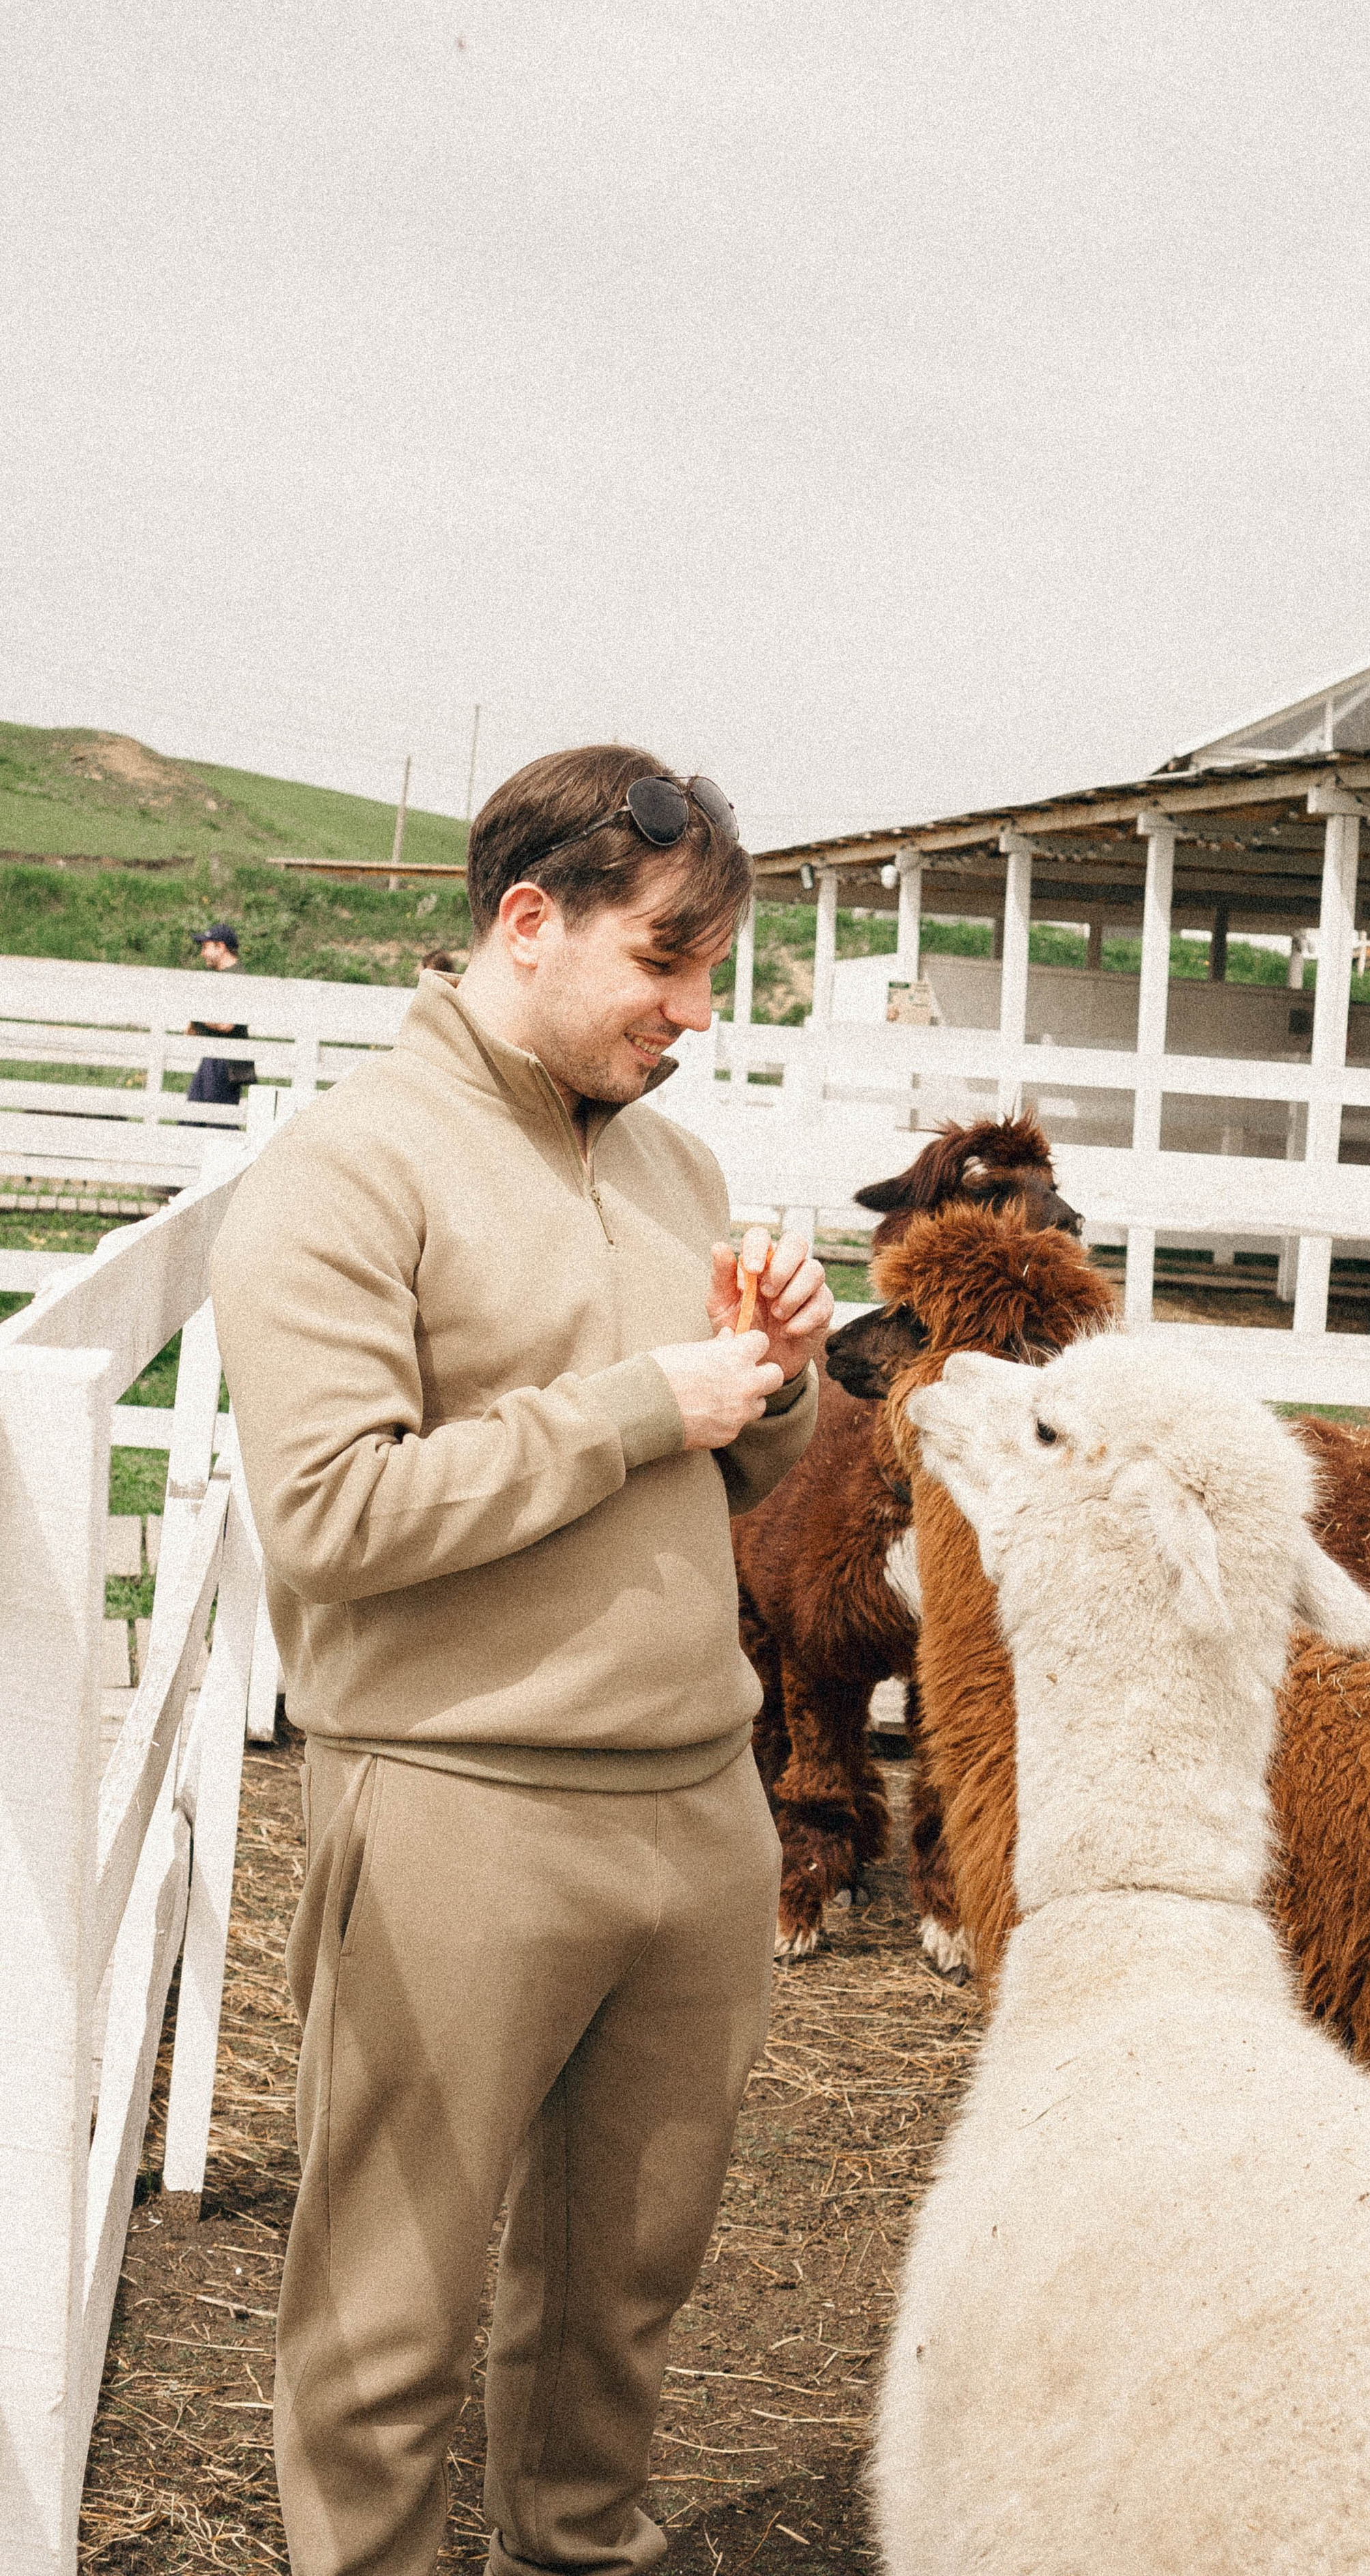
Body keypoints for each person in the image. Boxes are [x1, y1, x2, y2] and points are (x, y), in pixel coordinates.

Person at [209, 747, 832, 2576]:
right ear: (528, 922)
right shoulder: (346, 1174)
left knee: (622, 2304)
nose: (694, 1013)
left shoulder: (671, 1160)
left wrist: (772, 1391)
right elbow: (329, 1517)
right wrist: (649, 1404)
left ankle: (578, 2553)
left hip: (697, 1809)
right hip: (463, 1808)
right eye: (664, 961)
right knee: (386, 2321)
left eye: (709, 972)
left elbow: (732, 1465)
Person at [185, 919, 257, 1112]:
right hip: (215, 1055)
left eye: (205, 947)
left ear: (221, 947)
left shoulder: (237, 977)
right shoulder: (225, 976)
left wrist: (198, 1019)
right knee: (193, 1116)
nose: (202, 953)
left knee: (217, 1119)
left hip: (226, 1060)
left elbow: (227, 1025)